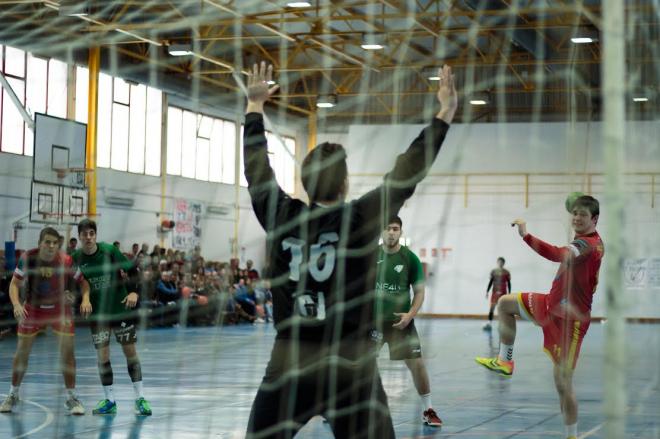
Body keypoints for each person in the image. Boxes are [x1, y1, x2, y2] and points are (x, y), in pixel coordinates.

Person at [243, 61, 457, 438]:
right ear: (344, 183)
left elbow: (256, 168)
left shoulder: (282, 215)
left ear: (306, 184)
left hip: (290, 362)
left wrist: (254, 107)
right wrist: (444, 114)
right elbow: (407, 171)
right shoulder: (359, 219)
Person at [475, 196, 604, 439]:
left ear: (594, 219)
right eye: (574, 213)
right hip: (549, 304)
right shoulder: (583, 242)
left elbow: (557, 254)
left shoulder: (587, 246)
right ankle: (505, 361)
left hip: (570, 323)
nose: (576, 218)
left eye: (583, 215)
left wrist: (526, 235)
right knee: (505, 304)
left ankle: (571, 435)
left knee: (563, 384)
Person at [0, 227, 91, 415]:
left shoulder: (66, 260)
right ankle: (13, 394)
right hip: (33, 310)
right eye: (47, 242)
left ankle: (71, 398)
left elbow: (83, 282)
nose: (51, 246)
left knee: (68, 353)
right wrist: (16, 304)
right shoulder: (28, 258)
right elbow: (14, 284)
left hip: (60, 310)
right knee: (22, 352)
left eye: (55, 243)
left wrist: (84, 298)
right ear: (40, 243)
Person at [72, 219, 152, 416]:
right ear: (80, 236)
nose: (88, 237)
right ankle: (110, 400)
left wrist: (134, 293)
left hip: (120, 309)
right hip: (98, 315)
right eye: (84, 234)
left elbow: (132, 268)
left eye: (92, 233)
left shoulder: (109, 251)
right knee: (103, 357)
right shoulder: (75, 258)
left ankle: (140, 398)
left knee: (130, 352)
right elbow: (73, 284)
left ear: (95, 235)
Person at [374, 216, 442, 426]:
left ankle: (428, 410)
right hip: (373, 323)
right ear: (382, 232)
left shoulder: (410, 258)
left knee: (417, 365)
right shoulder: (370, 257)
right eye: (387, 228)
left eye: (395, 229)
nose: (391, 232)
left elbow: (420, 292)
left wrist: (410, 315)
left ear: (400, 232)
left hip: (402, 323)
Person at [483, 257, 511, 331]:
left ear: (504, 263)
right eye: (499, 262)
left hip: (503, 292)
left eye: (502, 262)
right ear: (497, 262)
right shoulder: (493, 271)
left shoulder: (506, 272)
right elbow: (491, 282)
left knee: (502, 309)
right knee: (492, 308)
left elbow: (509, 283)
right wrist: (487, 291)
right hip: (495, 292)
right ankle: (489, 323)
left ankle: (503, 324)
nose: (500, 263)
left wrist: (509, 293)